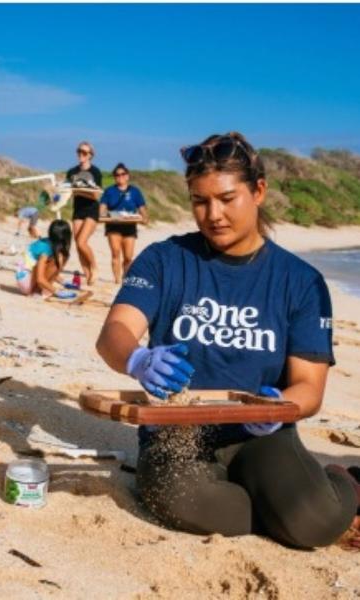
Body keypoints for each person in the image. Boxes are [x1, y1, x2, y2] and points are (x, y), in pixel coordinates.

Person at [96, 131, 359, 549]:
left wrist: (278, 407)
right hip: (176, 436)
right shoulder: (165, 260)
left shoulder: (301, 281)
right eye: (200, 201)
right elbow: (114, 333)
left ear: (258, 191)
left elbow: (309, 387)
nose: (213, 214)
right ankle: (273, 504)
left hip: (260, 436)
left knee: (314, 524)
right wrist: (138, 359)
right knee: (192, 505)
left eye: (226, 198)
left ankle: (343, 481)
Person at [99, 163, 149, 284]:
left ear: (127, 176)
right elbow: (102, 209)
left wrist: (145, 218)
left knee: (128, 257)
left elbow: (142, 209)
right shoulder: (109, 191)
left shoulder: (135, 191)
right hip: (113, 226)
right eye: (117, 175)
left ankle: (125, 278)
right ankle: (117, 281)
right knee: (115, 252)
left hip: (129, 227)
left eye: (122, 174)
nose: (120, 177)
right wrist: (103, 216)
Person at [66, 141, 102, 285]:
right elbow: (68, 191)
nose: (81, 154)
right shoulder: (72, 172)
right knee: (77, 244)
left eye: (84, 152)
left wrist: (78, 191)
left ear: (90, 155)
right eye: (79, 151)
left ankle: (94, 267)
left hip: (92, 210)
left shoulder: (95, 172)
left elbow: (96, 196)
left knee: (82, 242)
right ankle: (88, 277)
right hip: (78, 210)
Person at [15, 219, 72, 297]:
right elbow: (40, 278)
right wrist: (57, 291)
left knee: (64, 255)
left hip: (26, 278)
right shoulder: (46, 249)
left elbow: (49, 271)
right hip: (27, 283)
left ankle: (44, 289)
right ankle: (37, 291)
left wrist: (64, 282)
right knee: (58, 259)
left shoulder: (49, 242)